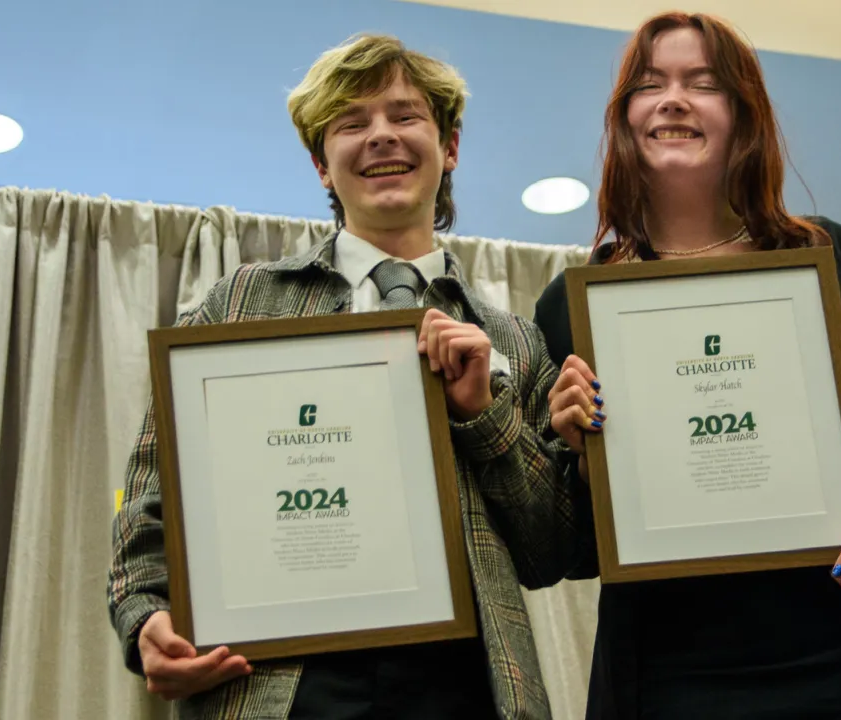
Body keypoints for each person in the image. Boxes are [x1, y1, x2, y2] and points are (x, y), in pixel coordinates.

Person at [109, 34, 578, 720]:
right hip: (276, 684)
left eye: (404, 115)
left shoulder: (514, 342)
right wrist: (144, 613)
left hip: (466, 685)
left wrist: (483, 415)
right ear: (321, 165)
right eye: (352, 123)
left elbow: (551, 552)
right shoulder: (239, 305)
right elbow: (152, 491)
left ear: (449, 147)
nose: (380, 136)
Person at [533, 12, 841, 720]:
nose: (672, 99)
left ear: (744, 116)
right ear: (625, 120)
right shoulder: (573, 307)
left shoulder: (830, 262)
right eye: (650, 85)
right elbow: (568, 544)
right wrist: (578, 454)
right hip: (670, 670)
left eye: (702, 84)